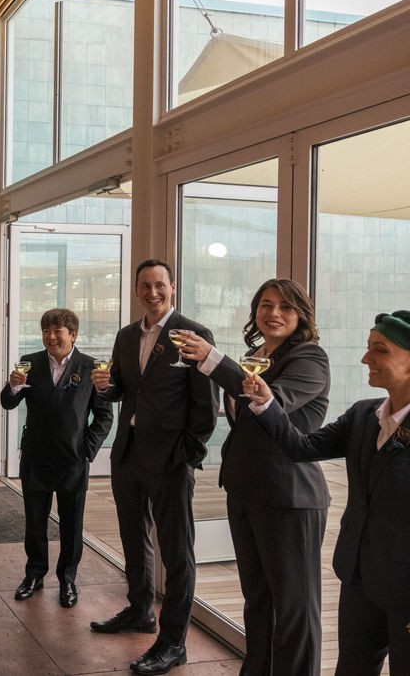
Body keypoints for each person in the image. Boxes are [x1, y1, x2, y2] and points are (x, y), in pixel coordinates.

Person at [243, 310, 410, 676]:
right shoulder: (364, 415)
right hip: (359, 579)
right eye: (368, 348)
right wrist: (266, 403)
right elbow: (301, 448)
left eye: (379, 350)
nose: (366, 358)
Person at [177, 278, 330, 675]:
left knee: (294, 606)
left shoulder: (310, 358)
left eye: (285, 307)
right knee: (257, 598)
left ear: (301, 315)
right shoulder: (255, 353)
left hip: (289, 496)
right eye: (265, 304)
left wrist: (212, 360)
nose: (274, 313)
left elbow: (268, 400)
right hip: (245, 489)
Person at [89, 259, 219, 675]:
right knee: (133, 537)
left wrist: (188, 454)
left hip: (170, 459)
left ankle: (172, 641)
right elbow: (126, 389)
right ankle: (139, 609)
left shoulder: (195, 335)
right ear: (136, 290)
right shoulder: (127, 335)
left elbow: (206, 408)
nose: (152, 292)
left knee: (177, 552)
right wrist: (106, 388)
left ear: (172, 287)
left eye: (159, 284)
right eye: (145, 285)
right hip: (128, 454)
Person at [0, 308, 113, 609]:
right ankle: (34, 574)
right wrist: (12, 385)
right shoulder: (30, 362)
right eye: (46, 331)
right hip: (36, 456)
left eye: (57, 331)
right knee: (35, 523)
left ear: (73, 334)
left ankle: (68, 579)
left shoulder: (90, 367)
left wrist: (86, 450)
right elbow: (8, 402)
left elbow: (103, 416)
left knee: (71, 525)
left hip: (73, 459)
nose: (51, 336)